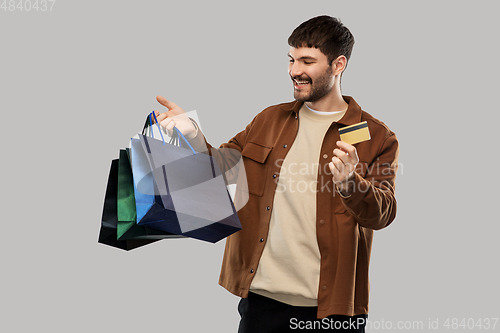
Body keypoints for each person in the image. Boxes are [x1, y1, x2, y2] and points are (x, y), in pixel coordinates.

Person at [154, 15, 399, 333]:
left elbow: (383, 214)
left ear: (338, 65)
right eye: (292, 59)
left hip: (333, 312)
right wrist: (191, 135)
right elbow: (220, 170)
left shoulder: (375, 136)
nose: (295, 70)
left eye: (307, 61)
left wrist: (351, 182)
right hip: (261, 304)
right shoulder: (269, 119)